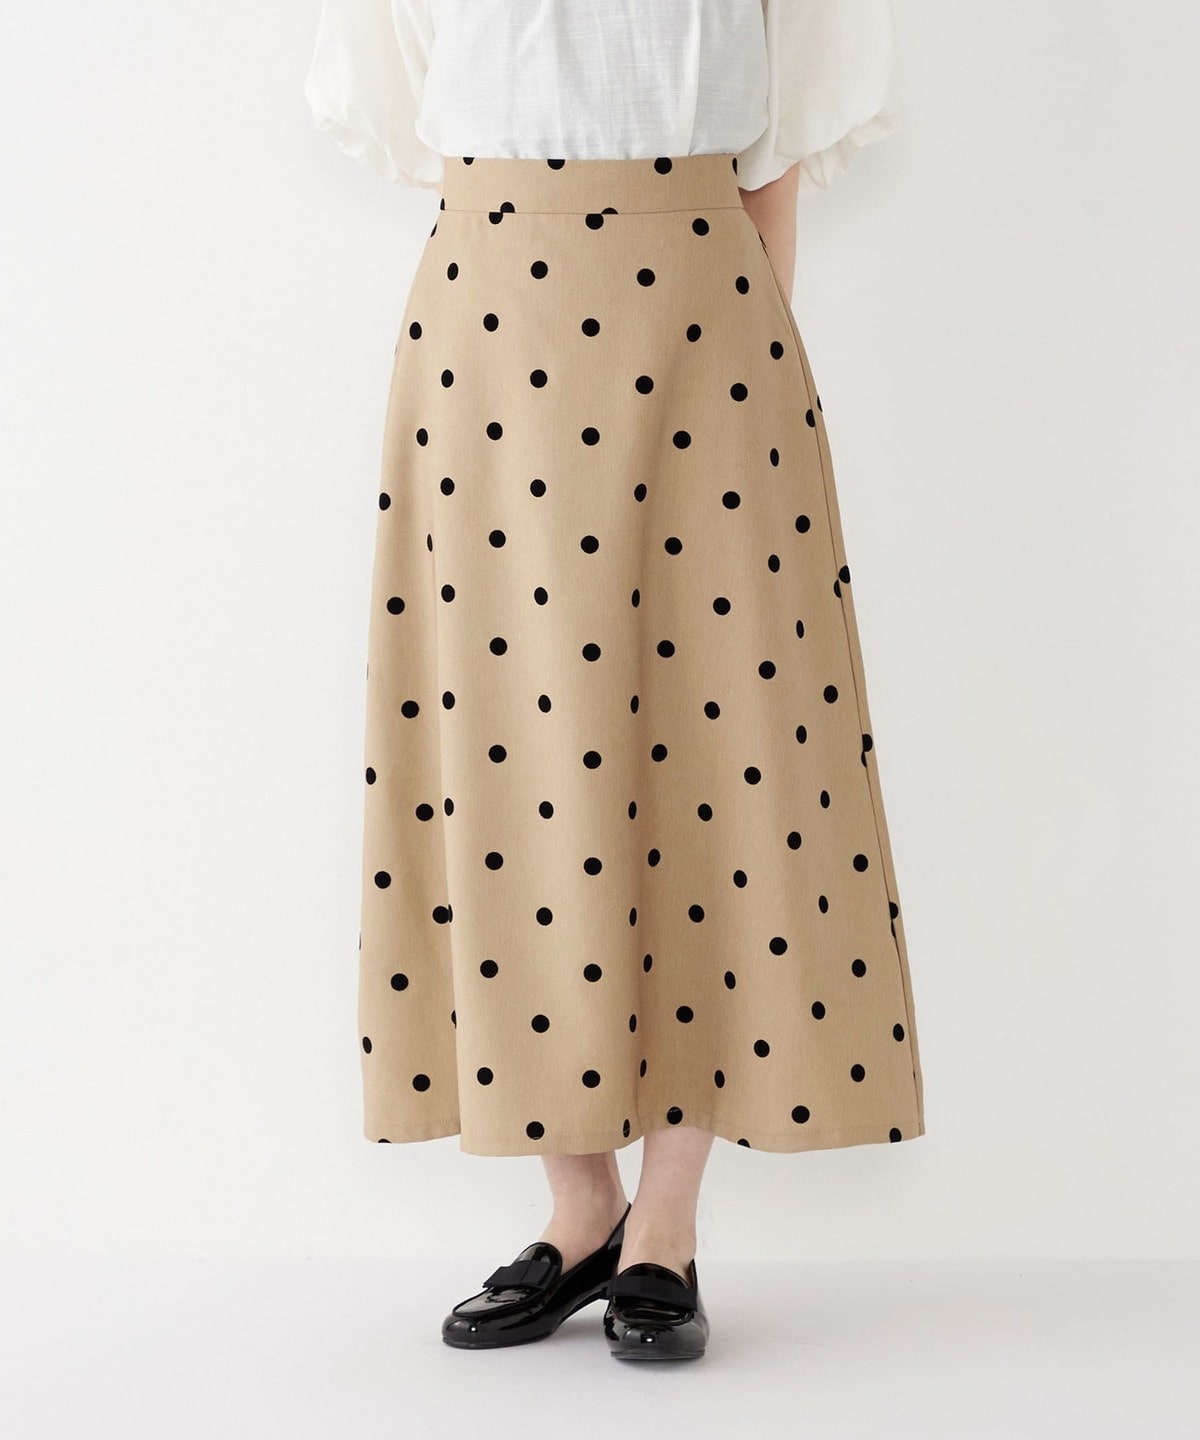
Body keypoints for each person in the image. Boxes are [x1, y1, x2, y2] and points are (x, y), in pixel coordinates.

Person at [305, 0, 926, 1362]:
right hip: (488, 330)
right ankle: (580, 1207)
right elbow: (418, 109)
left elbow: (778, 147)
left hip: (704, 324)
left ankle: (668, 1224)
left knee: (712, 749)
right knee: (512, 754)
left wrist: (746, 369)